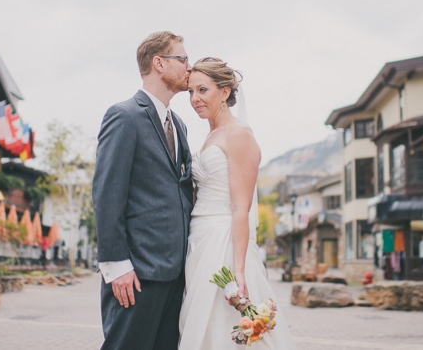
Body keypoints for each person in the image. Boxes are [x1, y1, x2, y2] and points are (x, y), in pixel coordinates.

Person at [179, 57, 295, 349]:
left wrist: (239, 269)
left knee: (223, 323)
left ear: (225, 92)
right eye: (191, 92)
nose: (194, 99)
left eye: (203, 90)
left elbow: (241, 208)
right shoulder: (209, 137)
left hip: (224, 242)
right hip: (199, 241)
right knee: (200, 322)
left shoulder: (239, 134)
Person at [92, 31, 194, 350]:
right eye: (183, 59)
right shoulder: (124, 116)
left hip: (175, 276)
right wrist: (116, 265)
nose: (190, 67)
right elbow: (107, 194)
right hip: (136, 275)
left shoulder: (179, 125)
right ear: (159, 63)